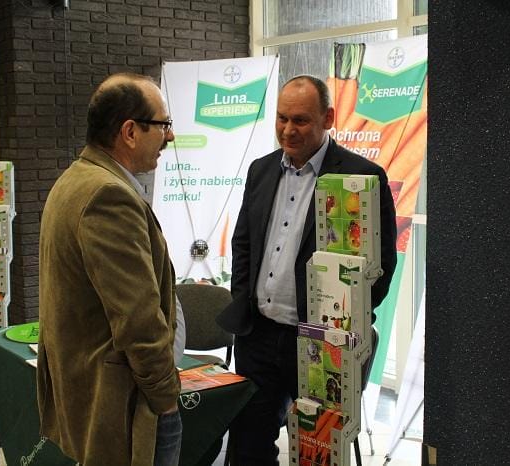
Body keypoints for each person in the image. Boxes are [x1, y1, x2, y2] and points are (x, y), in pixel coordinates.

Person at [217, 75, 397, 465]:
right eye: (281, 118)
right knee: (248, 448)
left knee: (319, 453)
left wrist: (344, 321)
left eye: (300, 120)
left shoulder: (361, 177)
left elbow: (381, 267)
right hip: (258, 337)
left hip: (320, 343)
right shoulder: (261, 170)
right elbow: (244, 243)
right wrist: (242, 297)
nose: (287, 130)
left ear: (327, 118)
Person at [37, 73, 184, 466]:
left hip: (91, 395)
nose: (170, 136)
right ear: (130, 132)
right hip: (123, 408)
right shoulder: (109, 196)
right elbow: (138, 319)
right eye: (163, 125)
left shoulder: (76, 179)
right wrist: (165, 397)